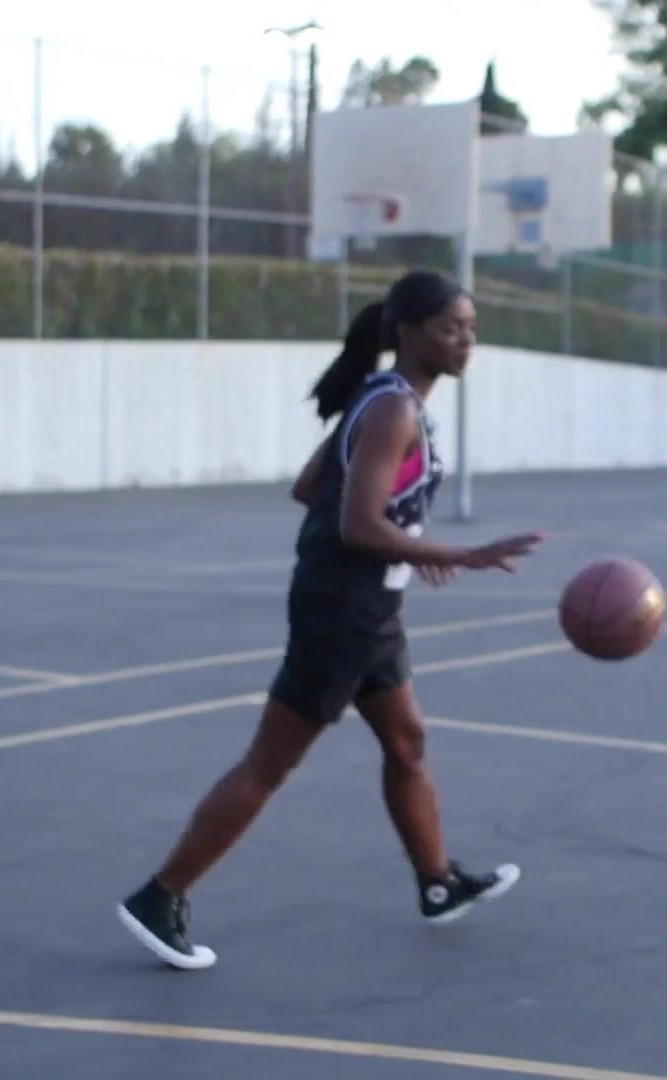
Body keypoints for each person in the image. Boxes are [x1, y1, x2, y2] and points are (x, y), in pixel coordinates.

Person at [118, 268, 543, 971]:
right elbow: (356, 524)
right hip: (343, 609)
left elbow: (311, 486)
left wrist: (402, 540)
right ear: (409, 333)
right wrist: (456, 553)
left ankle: (437, 882)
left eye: (471, 328)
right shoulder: (394, 409)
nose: (466, 340)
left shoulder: (382, 398)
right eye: (451, 329)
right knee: (269, 764)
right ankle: (159, 897)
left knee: (406, 741)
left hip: (367, 606)